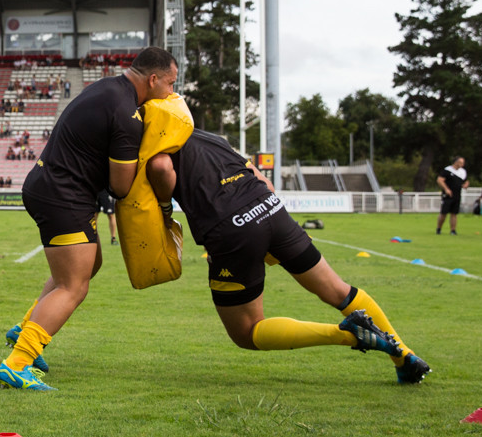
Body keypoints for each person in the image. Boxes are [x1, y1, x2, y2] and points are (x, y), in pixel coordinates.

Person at [143, 129, 429, 384]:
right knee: (338, 290)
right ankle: (404, 356)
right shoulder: (208, 137)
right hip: (272, 211)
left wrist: (165, 206)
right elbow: (263, 181)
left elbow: (161, 165)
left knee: (246, 332)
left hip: (233, 229)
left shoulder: (159, 146)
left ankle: (350, 335)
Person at [0, 46, 177, 390]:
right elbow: (121, 187)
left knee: (88, 265)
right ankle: (18, 361)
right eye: (170, 84)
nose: (172, 93)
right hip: (64, 196)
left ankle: (24, 329)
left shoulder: (108, 88)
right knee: (73, 286)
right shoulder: (127, 115)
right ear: (153, 80)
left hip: (53, 187)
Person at [435, 156, 468, 235]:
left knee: (454, 213)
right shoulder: (447, 170)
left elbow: (466, 181)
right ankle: (439, 228)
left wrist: (466, 184)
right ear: (456, 162)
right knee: (444, 213)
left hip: (457, 195)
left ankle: (453, 230)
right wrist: (446, 189)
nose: (462, 164)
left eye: (463, 163)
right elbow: (440, 180)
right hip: (447, 195)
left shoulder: (462, 172)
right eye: (460, 163)